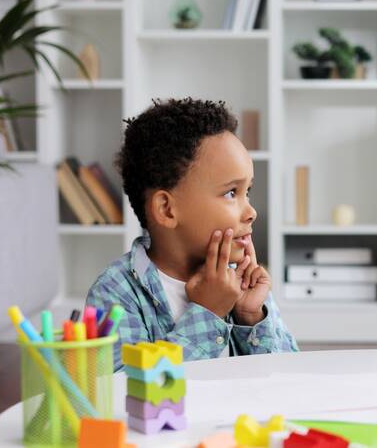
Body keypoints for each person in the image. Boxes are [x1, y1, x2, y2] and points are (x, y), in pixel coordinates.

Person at [86, 98, 297, 370]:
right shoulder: (116, 292)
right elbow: (122, 393)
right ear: (167, 209)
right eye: (231, 193)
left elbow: (288, 380)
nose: (251, 212)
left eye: (248, 191)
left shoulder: (242, 280)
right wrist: (208, 314)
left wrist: (251, 316)